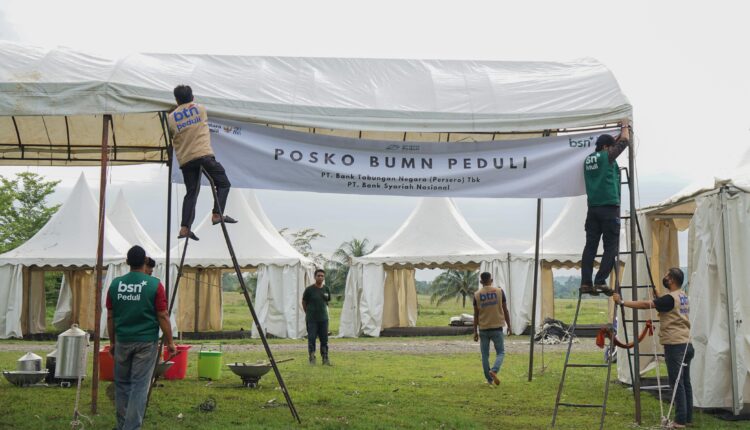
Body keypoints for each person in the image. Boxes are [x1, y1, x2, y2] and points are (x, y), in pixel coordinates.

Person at [613, 267, 693, 428]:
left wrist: (622, 302)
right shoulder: (683, 296)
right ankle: (687, 417)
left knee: (676, 384)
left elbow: (645, 305)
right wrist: (659, 297)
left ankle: (679, 421)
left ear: (671, 280)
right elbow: (668, 306)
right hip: (687, 344)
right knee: (685, 382)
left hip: (675, 345)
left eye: (667, 276)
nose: (665, 278)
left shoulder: (669, 299)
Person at [107, 246, 176, 430]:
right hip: (146, 342)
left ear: (127, 262)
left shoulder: (115, 284)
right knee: (139, 386)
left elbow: (110, 316)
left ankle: (122, 425)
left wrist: (112, 342)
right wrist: (170, 342)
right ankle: (131, 427)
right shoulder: (154, 285)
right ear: (145, 261)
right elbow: (163, 315)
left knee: (122, 384)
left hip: (122, 340)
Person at [166, 84, 236, 241]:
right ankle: (217, 214)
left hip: (186, 160)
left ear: (176, 100)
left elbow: (171, 132)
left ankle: (185, 228)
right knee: (223, 183)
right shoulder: (201, 109)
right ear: (192, 97)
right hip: (203, 155)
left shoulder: (170, 118)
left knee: (191, 193)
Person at [580, 118, 631, 296]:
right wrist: (625, 126)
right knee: (611, 246)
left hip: (592, 209)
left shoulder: (587, 160)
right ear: (606, 147)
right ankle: (600, 280)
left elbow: (615, 144)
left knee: (590, 247)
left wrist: (613, 138)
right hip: (609, 208)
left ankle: (586, 282)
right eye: (611, 147)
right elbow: (624, 142)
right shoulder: (607, 157)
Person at [473, 272, 511, 386]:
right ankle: (494, 370)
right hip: (497, 327)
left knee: (485, 355)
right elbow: (505, 310)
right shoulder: (499, 292)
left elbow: (476, 315)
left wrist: (475, 331)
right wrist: (509, 326)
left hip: (483, 328)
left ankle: (489, 380)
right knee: (501, 352)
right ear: (491, 280)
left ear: (481, 282)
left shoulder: (477, 295)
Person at [302, 269, 331, 365]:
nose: (320, 277)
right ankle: (312, 358)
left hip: (323, 319)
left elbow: (327, 301)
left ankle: (325, 358)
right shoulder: (309, 290)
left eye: (322, 276)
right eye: (318, 275)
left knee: (324, 339)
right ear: (315, 277)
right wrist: (308, 312)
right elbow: (304, 302)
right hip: (312, 319)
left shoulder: (326, 289)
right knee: (311, 339)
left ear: (324, 277)